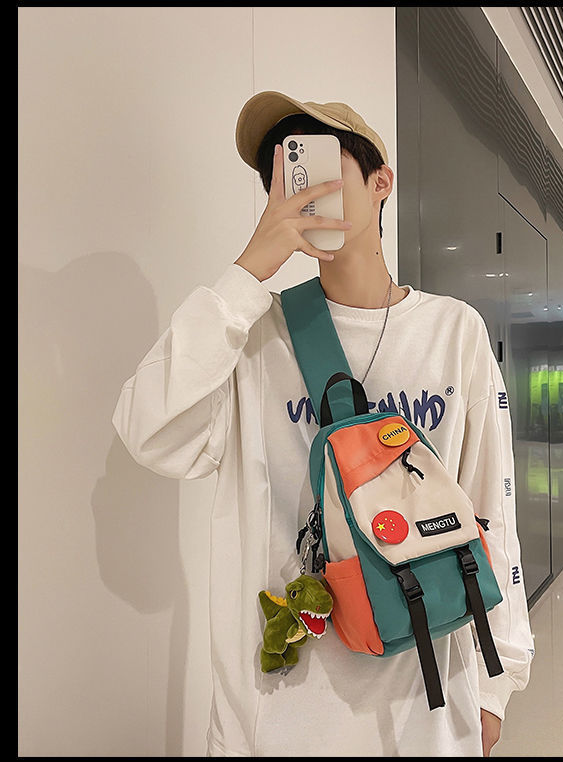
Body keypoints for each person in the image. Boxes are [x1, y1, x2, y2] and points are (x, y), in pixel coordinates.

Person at [113, 91, 534, 757]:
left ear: (380, 183)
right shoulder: (253, 337)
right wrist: (248, 272)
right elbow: (147, 431)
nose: (302, 189)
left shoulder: (453, 331)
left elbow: (492, 508)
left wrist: (496, 681)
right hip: (276, 718)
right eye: (285, 176)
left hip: (426, 703)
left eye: (320, 165)